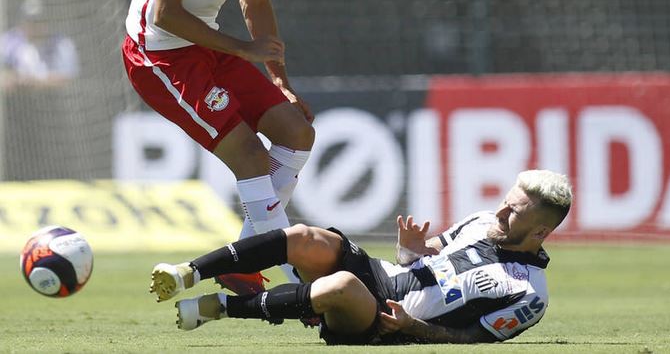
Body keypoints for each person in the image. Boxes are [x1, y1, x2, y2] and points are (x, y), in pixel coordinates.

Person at [122, 0, 314, 294]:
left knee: (297, 131)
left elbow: (257, 3)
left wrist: (280, 79)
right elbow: (164, 15)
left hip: (208, 45)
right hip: (157, 55)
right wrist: (244, 50)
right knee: (249, 156)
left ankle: (242, 259)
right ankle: (298, 283)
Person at [149, 170, 573, 345]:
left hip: (389, 321)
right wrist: (409, 249)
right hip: (384, 276)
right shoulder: (482, 221)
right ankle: (190, 271)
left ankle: (223, 308)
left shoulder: (529, 294)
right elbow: (423, 260)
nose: (500, 212)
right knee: (306, 237)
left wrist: (413, 326)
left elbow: (473, 340)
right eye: (506, 201)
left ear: (540, 231)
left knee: (341, 287)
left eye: (513, 212)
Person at [1, 0, 79, 88]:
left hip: (51, 98)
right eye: (29, 21)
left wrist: (31, 81)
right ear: (21, 23)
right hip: (14, 99)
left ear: (46, 22)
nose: (34, 25)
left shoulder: (61, 44)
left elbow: (67, 79)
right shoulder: (8, 41)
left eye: (38, 21)